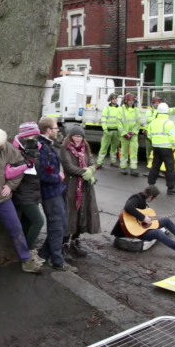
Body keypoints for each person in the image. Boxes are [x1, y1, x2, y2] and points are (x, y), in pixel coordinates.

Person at [0, 128, 42, 275]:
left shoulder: (7, 147)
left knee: (16, 229)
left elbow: (22, 165)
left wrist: (11, 186)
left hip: (4, 199)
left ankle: (25, 260)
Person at [111, 186, 175, 258]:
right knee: (158, 233)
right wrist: (143, 217)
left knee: (166, 221)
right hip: (130, 230)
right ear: (150, 196)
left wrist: (146, 218)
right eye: (153, 198)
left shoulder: (144, 201)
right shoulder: (136, 198)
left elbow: (146, 216)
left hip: (141, 228)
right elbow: (128, 207)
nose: (152, 200)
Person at [36, 118, 77, 272]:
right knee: (57, 227)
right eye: (55, 128)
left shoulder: (47, 145)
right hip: (50, 193)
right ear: (48, 130)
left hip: (56, 191)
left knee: (61, 225)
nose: (58, 130)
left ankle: (44, 255)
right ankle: (57, 262)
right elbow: (43, 174)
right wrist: (58, 177)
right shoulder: (43, 148)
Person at [60, 126, 101, 258]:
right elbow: (69, 167)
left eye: (80, 136)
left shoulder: (85, 148)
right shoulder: (65, 149)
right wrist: (85, 172)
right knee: (70, 214)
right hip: (71, 186)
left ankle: (75, 241)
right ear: (70, 136)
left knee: (82, 214)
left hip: (84, 187)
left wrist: (92, 170)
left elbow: (93, 162)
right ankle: (64, 244)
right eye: (76, 136)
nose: (78, 138)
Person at [11, 122, 46, 262]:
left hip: (34, 191)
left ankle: (24, 253)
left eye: (36, 136)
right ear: (25, 136)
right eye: (32, 136)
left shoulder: (35, 147)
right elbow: (18, 171)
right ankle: (30, 251)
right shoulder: (16, 150)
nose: (35, 139)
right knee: (38, 221)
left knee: (28, 223)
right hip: (24, 193)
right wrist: (28, 155)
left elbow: (36, 170)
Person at [147, 103, 175, 195]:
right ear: (167, 112)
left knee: (155, 166)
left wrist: (156, 141)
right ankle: (171, 188)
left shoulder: (153, 122)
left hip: (156, 147)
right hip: (166, 149)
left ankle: (151, 185)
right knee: (170, 168)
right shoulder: (168, 123)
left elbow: (149, 135)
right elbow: (173, 136)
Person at [144, 97, 175, 162]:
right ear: (152, 104)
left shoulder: (164, 110)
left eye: (158, 103)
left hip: (154, 134)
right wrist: (156, 116)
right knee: (149, 149)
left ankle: (154, 163)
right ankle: (149, 161)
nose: (157, 104)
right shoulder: (150, 111)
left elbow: (172, 110)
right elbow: (148, 119)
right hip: (150, 133)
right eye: (155, 103)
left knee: (156, 152)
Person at [117, 93, 141, 176]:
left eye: (132, 100)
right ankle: (123, 167)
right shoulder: (121, 110)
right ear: (126, 101)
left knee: (134, 151)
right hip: (124, 135)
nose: (131, 102)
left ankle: (133, 168)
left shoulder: (136, 110)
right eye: (129, 100)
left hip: (133, 135)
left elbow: (138, 123)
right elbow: (119, 123)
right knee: (124, 151)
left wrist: (133, 132)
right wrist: (124, 133)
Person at [96, 93, 120, 168]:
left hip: (116, 131)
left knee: (114, 147)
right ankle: (99, 162)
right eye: (113, 99)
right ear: (110, 100)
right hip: (108, 131)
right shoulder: (106, 109)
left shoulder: (119, 109)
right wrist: (105, 129)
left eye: (116, 99)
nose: (115, 100)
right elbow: (103, 119)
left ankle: (113, 161)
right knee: (104, 147)